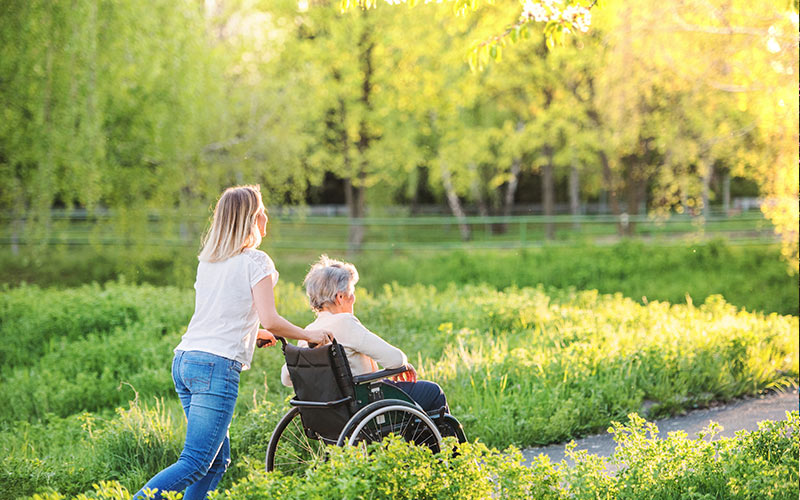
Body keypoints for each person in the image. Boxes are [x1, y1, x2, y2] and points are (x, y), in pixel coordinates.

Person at [133, 185, 333, 500]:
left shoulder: (209, 260)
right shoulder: (257, 262)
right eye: (262, 210)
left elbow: (218, 315)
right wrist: (309, 334)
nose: (266, 215)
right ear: (252, 218)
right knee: (196, 461)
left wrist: (254, 334)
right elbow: (271, 318)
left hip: (186, 361)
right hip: (215, 367)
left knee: (214, 463)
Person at [280, 255, 448, 413]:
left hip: (333, 411)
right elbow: (396, 359)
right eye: (351, 293)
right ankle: (447, 444)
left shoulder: (309, 332)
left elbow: (286, 378)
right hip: (365, 404)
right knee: (432, 391)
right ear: (340, 297)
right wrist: (404, 365)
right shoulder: (345, 323)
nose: (353, 299)